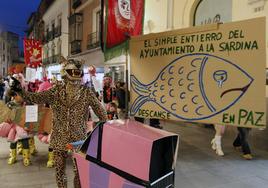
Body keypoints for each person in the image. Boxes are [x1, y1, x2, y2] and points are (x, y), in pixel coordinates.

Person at [10, 57, 107, 188]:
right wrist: (20, 90)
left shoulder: (87, 93)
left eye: (78, 73)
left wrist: (96, 136)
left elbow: (103, 116)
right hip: (59, 138)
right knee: (60, 171)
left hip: (78, 139)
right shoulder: (56, 91)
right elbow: (35, 98)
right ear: (66, 75)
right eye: (73, 73)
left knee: (78, 172)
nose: (75, 79)